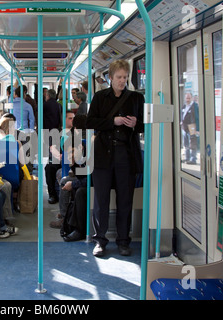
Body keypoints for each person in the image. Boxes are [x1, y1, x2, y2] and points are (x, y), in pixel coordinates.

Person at [86, 59, 144, 257]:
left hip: (126, 155)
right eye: (119, 77)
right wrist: (113, 121)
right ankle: (100, 240)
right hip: (103, 154)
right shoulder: (100, 97)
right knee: (101, 199)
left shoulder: (136, 99)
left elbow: (143, 126)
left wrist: (135, 123)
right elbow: (91, 121)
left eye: (125, 77)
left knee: (125, 200)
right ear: (110, 78)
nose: (122, 81)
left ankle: (123, 241)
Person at [181, 92, 199, 164]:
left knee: (192, 143)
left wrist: (197, 129)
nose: (187, 99)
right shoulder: (184, 106)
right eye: (186, 98)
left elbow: (197, 118)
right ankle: (187, 158)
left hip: (192, 127)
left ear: (191, 98)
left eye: (189, 98)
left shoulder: (195, 106)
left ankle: (193, 159)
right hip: (184, 128)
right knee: (186, 144)